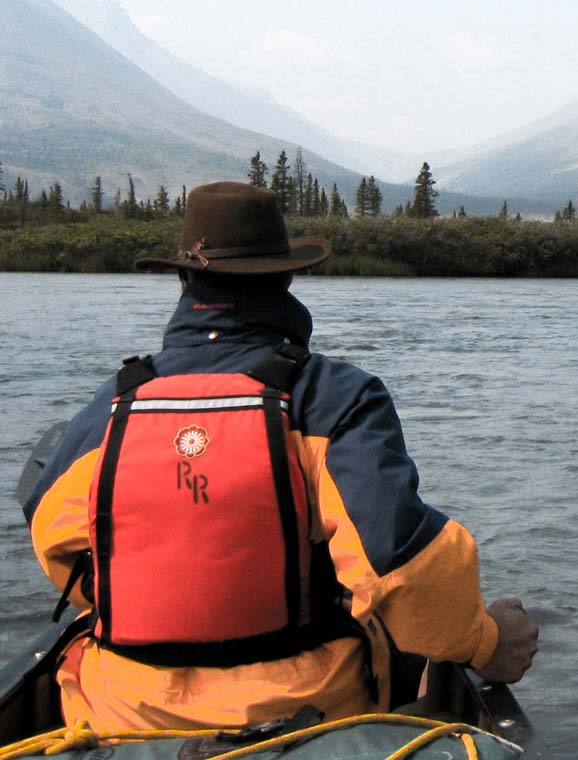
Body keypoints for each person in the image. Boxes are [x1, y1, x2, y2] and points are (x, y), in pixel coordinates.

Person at [23, 181, 538, 730]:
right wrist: (486, 641)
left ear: (184, 280)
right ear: (284, 278)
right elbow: (401, 561)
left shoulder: (115, 402)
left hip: (119, 715)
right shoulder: (334, 398)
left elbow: (51, 535)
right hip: (302, 715)